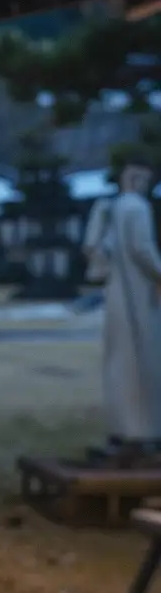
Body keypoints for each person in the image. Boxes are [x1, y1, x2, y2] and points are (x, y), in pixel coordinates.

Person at [96, 159, 161, 452]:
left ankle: (120, 426)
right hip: (137, 292)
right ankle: (141, 429)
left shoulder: (115, 207)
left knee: (120, 361)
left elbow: (104, 247)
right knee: (140, 360)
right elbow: (142, 248)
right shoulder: (137, 208)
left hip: (117, 292)